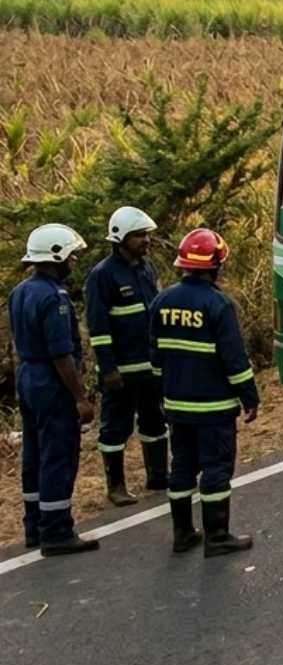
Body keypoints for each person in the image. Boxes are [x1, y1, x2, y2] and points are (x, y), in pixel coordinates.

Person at [152, 227, 259, 557]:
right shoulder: (218, 304)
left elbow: (156, 357)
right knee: (216, 468)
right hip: (213, 407)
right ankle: (217, 537)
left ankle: (182, 534)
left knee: (182, 466)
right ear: (215, 266)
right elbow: (234, 358)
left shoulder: (162, 301)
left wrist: (162, 394)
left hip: (177, 405)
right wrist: (250, 396)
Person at [10, 224, 98, 555]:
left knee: (33, 453)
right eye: (71, 256)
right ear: (56, 256)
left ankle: (34, 526)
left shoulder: (20, 291)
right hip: (51, 381)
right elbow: (61, 354)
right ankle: (57, 531)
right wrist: (80, 397)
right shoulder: (53, 297)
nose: (73, 262)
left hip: (28, 377)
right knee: (57, 454)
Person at [83, 206, 166, 507]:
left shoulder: (147, 268)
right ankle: (115, 486)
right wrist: (109, 370)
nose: (145, 240)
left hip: (151, 365)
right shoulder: (102, 276)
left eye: (146, 234)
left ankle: (158, 476)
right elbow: (98, 327)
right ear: (120, 239)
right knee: (116, 427)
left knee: (155, 421)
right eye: (138, 236)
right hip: (121, 369)